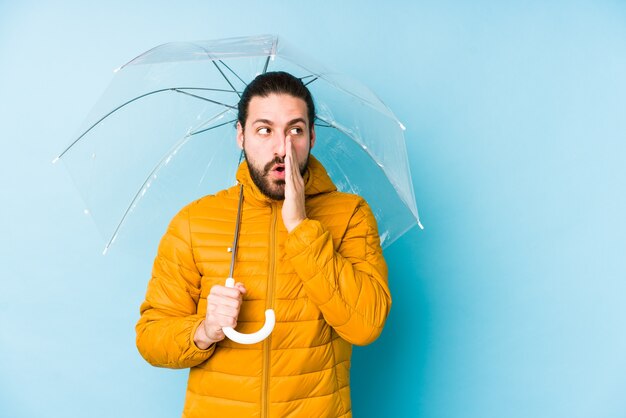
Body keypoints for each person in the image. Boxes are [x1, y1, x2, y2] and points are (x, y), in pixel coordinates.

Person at [136, 71, 391, 418]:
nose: (281, 148)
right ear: (241, 136)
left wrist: (301, 227)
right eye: (264, 129)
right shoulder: (195, 221)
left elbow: (366, 325)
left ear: (312, 137)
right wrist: (204, 329)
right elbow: (151, 337)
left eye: (295, 130)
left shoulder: (351, 216)